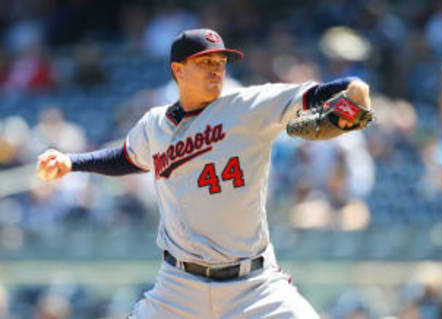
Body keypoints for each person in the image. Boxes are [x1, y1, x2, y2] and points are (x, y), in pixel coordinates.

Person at [36, 29, 372, 318]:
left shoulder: (250, 106)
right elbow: (126, 157)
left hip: (254, 284)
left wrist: (353, 97)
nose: (216, 71)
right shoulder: (154, 125)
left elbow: (339, 90)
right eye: (205, 63)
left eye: (220, 63)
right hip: (178, 287)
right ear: (178, 70)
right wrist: (73, 162)